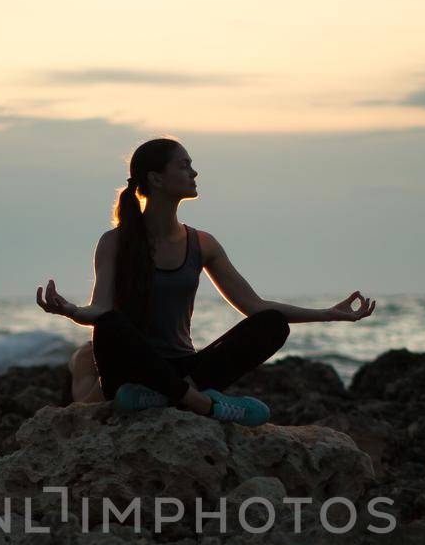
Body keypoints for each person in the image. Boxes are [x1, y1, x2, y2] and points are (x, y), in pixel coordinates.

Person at [35, 137, 376, 426]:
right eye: (184, 165)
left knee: (271, 324)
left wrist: (330, 313)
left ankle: (168, 395)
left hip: (185, 367)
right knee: (111, 324)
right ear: (155, 178)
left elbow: (254, 307)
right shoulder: (115, 241)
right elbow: (100, 308)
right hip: (130, 369)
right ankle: (201, 404)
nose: (194, 172)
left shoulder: (202, 243)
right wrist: (70, 311)